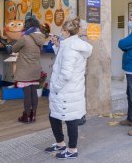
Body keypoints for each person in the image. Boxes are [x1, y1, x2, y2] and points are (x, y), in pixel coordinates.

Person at [45, 18, 92, 159]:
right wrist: (57, 45)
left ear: (66, 31)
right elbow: (63, 58)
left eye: (62, 30)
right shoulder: (70, 44)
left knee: (71, 120)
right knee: (54, 116)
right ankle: (60, 144)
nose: (60, 32)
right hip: (70, 90)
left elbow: (66, 74)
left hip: (66, 91)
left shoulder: (70, 47)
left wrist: (54, 87)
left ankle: (72, 150)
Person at [12, 17, 46, 123]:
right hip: (35, 69)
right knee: (33, 93)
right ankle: (33, 115)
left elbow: (14, 49)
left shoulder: (25, 37)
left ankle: (26, 115)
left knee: (27, 94)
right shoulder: (41, 37)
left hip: (24, 70)